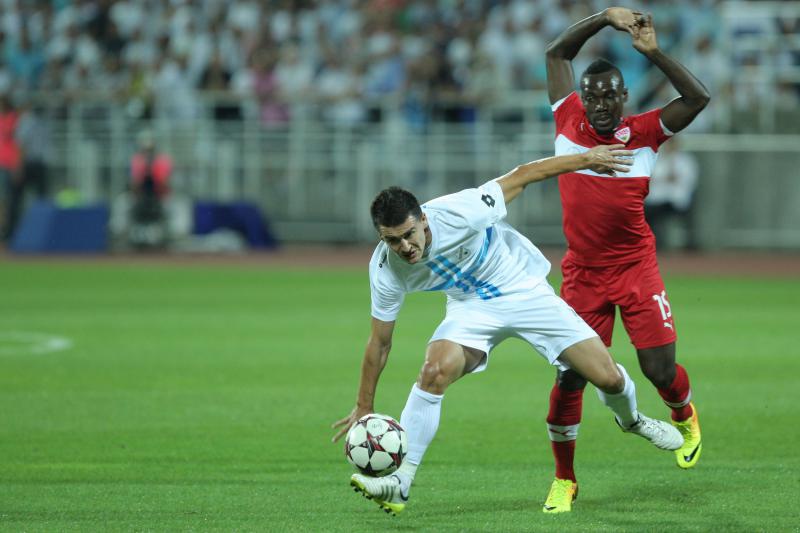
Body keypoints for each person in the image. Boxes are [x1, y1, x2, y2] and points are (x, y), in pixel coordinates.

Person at [331, 144, 684, 516]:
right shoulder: (386, 268)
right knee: (434, 371)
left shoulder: (460, 211)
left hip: (522, 288)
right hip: (471, 307)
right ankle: (400, 483)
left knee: (609, 380)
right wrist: (364, 406)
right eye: (391, 240)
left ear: (424, 221)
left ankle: (632, 420)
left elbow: (525, 174)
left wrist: (588, 159)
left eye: (408, 234)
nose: (404, 247)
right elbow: (380, 343)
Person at [541, 7, 710, 512]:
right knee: (570, 376)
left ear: (624, 96)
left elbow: (698, 98)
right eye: (591, 95)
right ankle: (564, 480)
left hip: (637, 268)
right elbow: (557, 53)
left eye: (608, 95)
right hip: (583, 275)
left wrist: (653, 51)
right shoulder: (566, 116)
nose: (597, 103)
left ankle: (682, 412)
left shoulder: (645, 132)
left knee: (659, 370)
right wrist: (603, 17)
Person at [645, 139, 699, 250]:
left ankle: (690, 244)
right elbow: (651, 179)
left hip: (677, 198)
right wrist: (667, 179)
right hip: (658, 199)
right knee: (646, 212)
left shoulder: (686, 160)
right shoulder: (657, 159)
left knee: (686, 211)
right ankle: (654, 243)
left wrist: (666, 180)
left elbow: (689, 180)